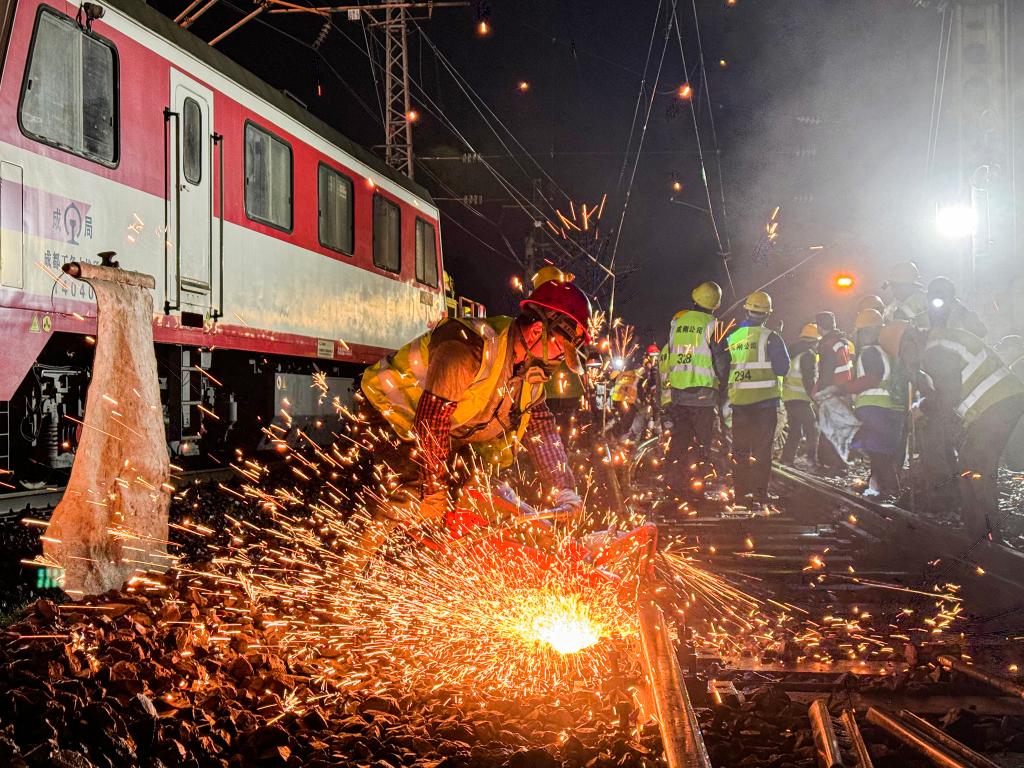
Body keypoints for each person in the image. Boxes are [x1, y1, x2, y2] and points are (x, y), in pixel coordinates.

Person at [350, 279, 592, 570]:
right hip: (389, 415)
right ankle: (345, 572)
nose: (560, 362)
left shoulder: (530, 373)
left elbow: (541, 427)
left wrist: (564, 487)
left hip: (443, 432)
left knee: (481, 492)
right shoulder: (467, 347)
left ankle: (438, 568)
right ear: (538, 331)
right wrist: (435, 489)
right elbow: (430, 421)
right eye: (560, 351)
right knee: (412, 492)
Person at [883, 321, 1024, 539]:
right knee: (971, 465)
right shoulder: (938, 342)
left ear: (910, 342)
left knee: (976, 467)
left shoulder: (936, 348)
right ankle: (980, 531)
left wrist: (923, 408)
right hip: (998, 402)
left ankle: (986, 534)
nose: (908, 361)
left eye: (905, 355)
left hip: (998, 401)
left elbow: (948, 393)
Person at [664, 280, 731, 501]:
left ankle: (672, 483)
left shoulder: (678, 322)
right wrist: (725, 386)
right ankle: (696, 488)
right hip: (703, 394)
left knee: (679, 440)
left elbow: (672, 353)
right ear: (715, 305)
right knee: (703, 442)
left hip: (679, 392)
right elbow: (721, 361)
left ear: (695, 298)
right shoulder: (714, 325)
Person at [726, 291, 790, 509]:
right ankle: (760, 495)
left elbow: (723, 368)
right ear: (767, 314)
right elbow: (782, 368)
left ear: (747, 309)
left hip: (740, 402)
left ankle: (740, 496)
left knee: (741, 451)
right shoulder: (772, 337)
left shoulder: (732, 337)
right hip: (765, 403)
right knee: (762, 451)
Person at [838, 310, 907, 499]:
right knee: (882, 452)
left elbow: (872, 378)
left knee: (878, 453)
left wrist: (844, 388)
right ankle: (878, 489)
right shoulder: (891, 354)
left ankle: (891, 491)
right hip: (893, 409)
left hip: (875, 409)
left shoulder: (870, 352)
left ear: (865, 332)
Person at [533, 266, 586, 438]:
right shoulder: (567, 310)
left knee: (547, 433)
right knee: (559, 432)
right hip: (565, 389)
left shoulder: (540, 311)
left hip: (548, 389)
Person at [813, 311, 853, 475]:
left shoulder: (827, 344)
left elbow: (826, 373)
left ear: (820, 326)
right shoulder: (841, 342)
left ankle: (832, 465)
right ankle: (837, 463)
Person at [780, 323, 819, 468]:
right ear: (814, 340)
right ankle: (812, 460)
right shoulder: (808, 355)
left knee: (795, 430)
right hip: (800, 398)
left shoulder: (792, 351)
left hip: (789, 396)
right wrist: (815, 398)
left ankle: (786, 459)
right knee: (812, 427)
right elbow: (808, 379)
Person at [882, 261, 928, 326]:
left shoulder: (924, 301)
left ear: (910, 285)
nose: (894, 289)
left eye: (898, 285)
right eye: (893, 285)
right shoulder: (892, 306)